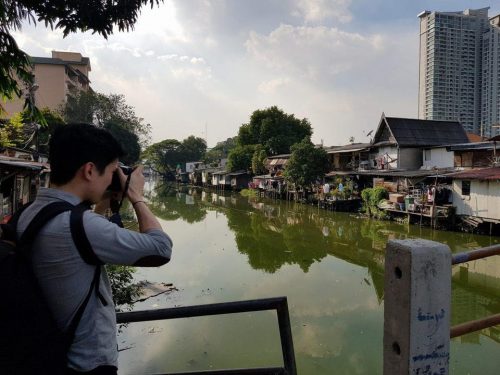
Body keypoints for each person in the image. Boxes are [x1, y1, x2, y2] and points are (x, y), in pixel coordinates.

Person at [17, 124, 173, 375]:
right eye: (112, 171)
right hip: (86, 365)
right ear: (90, 170)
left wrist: (101, 203)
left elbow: (83, 239)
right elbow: (161, 248)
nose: (113, 179)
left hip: (49, 353)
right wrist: (136, 196)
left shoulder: (30, 212)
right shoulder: (78, 225)